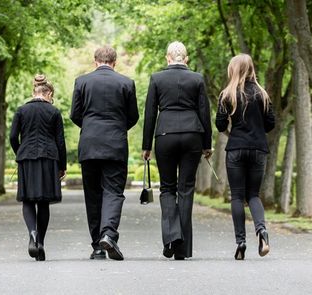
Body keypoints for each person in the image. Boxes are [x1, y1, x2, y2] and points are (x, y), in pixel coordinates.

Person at [142, 41, 212, 260]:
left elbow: (150, 113)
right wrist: (207, 144)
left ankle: (172, 236)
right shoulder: (197, 79)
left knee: (167, 188)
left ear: (167, 58)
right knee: (186, 188)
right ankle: (182, 248)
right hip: (193, 134)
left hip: (165, 135)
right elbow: (204, 112)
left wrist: (146, 146)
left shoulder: (157, 78)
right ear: (186, 58)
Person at [70, 45, 139, 261]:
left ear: (95, 61)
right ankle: (108, 234)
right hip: (115, 144)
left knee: (92, 195)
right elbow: (133, 116)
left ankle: (97, 246)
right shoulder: (126, 83)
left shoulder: (82, 82)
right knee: (113, 191)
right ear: (114, 62)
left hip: (89, 143)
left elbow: (75, 114)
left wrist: (90, 127)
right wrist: (118, 128)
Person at [215, 54, 275, 260]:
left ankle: (240, 241)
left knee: (237, 196)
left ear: (233, 70)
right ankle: (262, 231)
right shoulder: (262, 94)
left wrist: (232, 128)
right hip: (258, 149)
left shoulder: (227, 94)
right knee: (254, 195)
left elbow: (220, 124)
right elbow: (271, 123)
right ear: (251, 69)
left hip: (236, 149)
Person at [10, 74, 67, 261]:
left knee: (27, 199)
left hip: (26, 158)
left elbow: (12, 137)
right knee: (43, 201)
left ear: (34, 92)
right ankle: (40, 242)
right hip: (49, 158)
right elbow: (60, 141)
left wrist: (20, 152)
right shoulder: (54, 112)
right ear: (48, 93)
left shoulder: (21, 110)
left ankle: (32, 233)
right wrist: (62, 166)